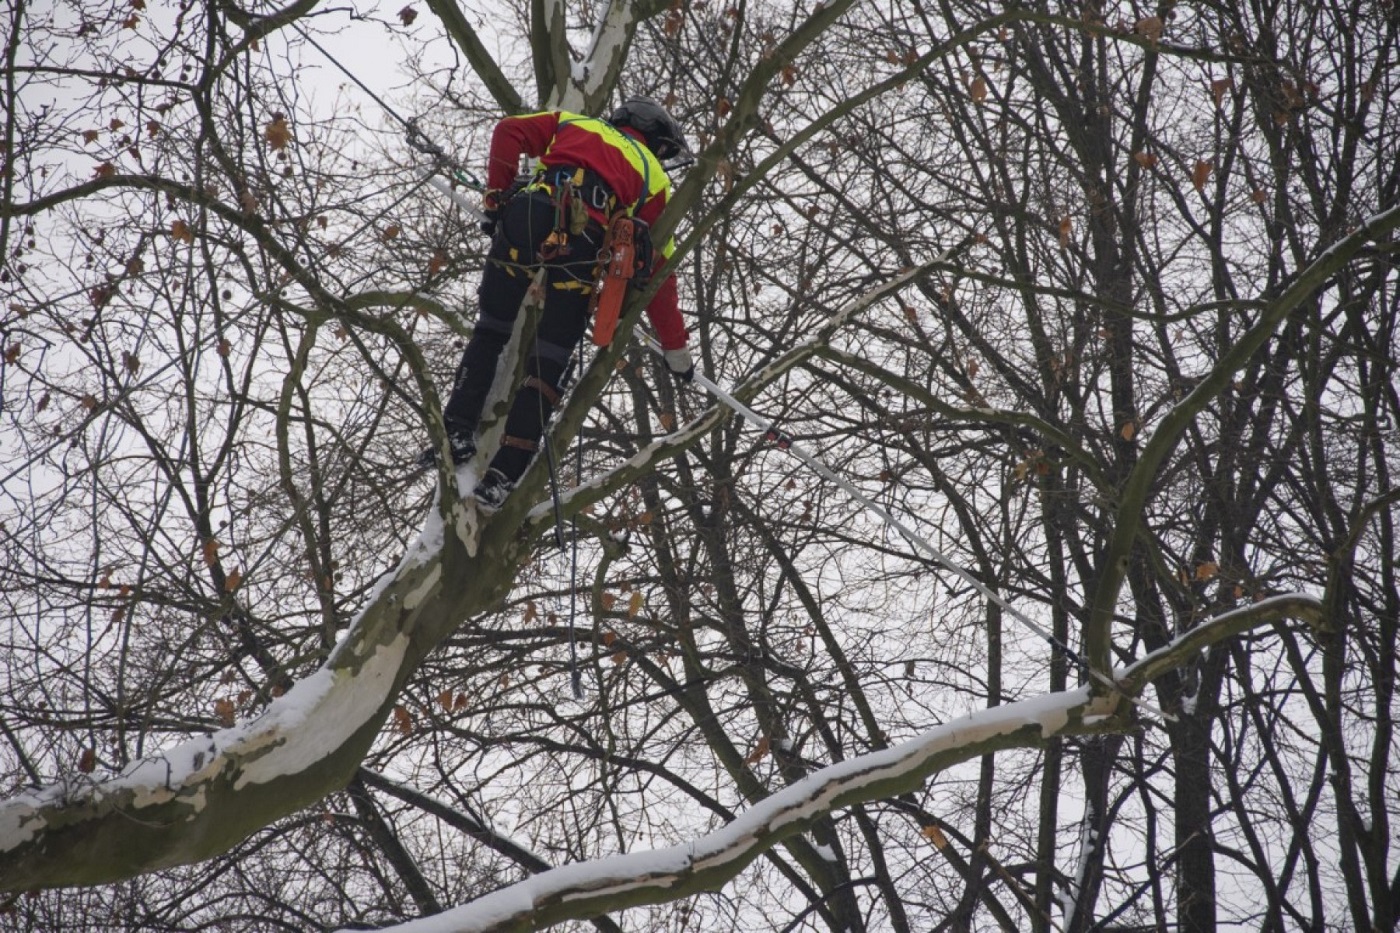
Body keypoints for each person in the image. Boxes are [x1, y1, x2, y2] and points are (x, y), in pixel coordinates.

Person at [419, 97, 695, 509]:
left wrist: (496, 198)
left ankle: (457, 431)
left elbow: (509, 129)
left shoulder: (574, 122)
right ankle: (502, 475)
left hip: (528, 215)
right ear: (654, 140)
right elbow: (659, 272)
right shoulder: (654, 175)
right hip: (582, 246)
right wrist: (676, 351)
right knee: (548, 363)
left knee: (491, 330)